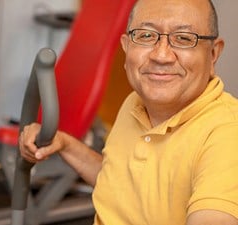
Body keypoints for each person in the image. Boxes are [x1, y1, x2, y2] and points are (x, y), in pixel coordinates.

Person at [19, 0, 238, 224]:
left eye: (183, 39)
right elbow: (119, 183)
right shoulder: (135, 102)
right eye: (145, 36)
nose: (161, 55)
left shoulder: (227, 134)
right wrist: (64, 143)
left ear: (213, 54)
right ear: (126, 46)